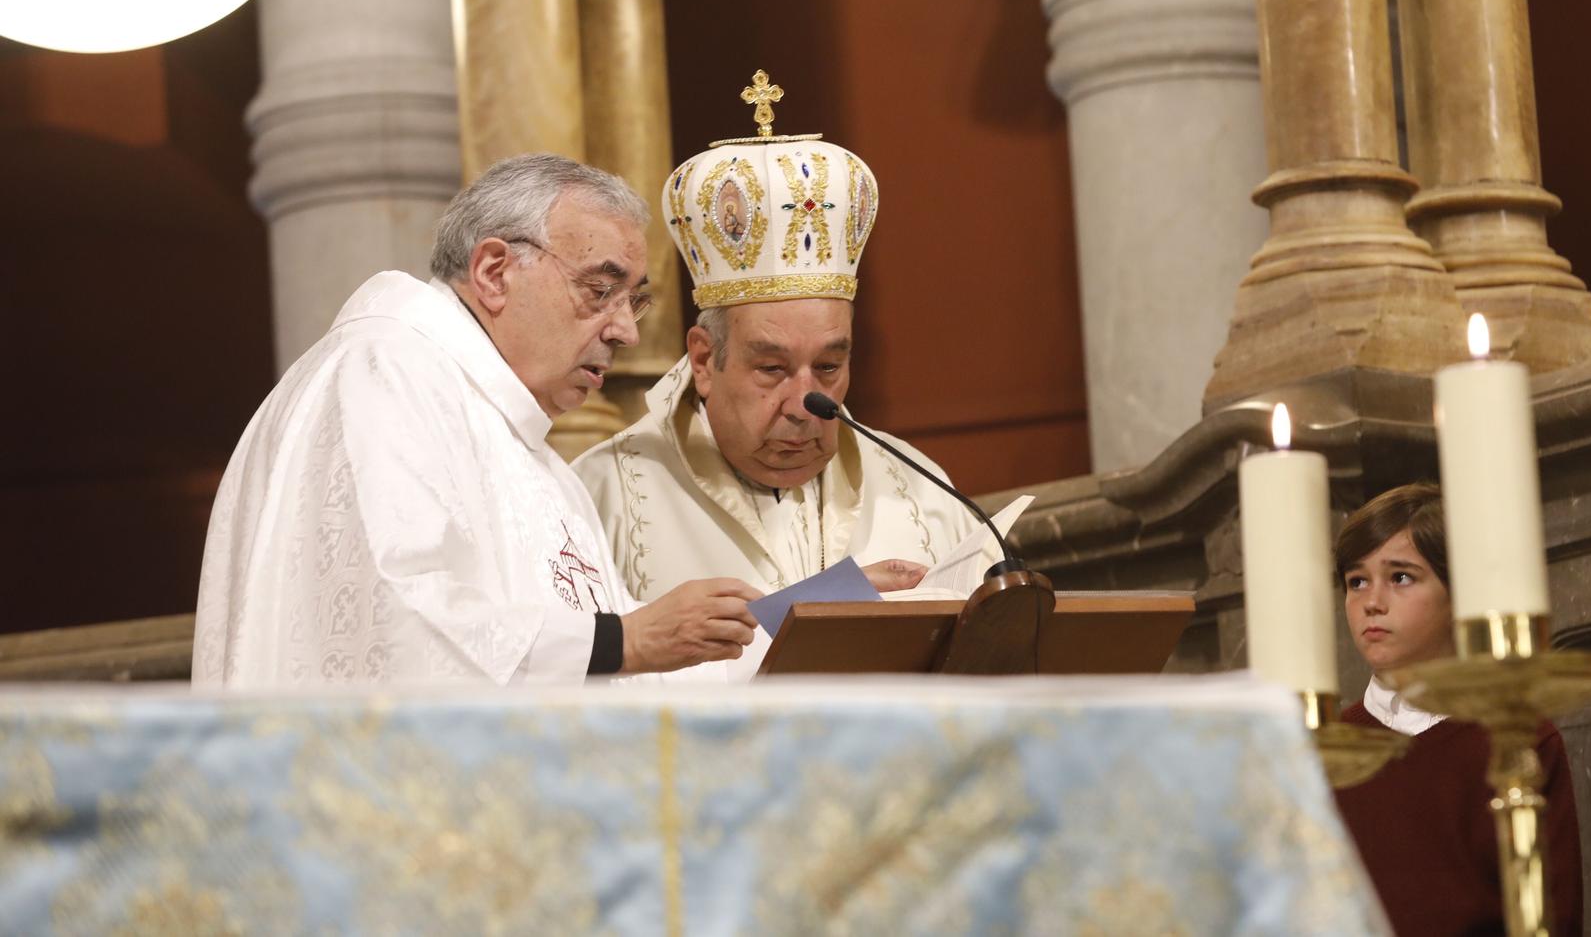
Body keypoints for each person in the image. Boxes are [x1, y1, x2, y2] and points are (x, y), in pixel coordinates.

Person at [193, 154, 762, 686]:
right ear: (494, 271)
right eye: (599, 290)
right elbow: (396, 623)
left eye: (632, 301)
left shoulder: (531, 459)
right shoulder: (381, 373)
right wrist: (627, 641)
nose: (625, 332)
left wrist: (801, 620)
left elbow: (627, 665)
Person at [572, 73, 993, 601]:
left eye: (828, 367)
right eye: (771, 369)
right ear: (703, 360)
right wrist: (803, 612)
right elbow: (578, 673)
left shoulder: (919, 493)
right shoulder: (603, 497)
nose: (804, 405)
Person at [1331, 484, 1583, 937]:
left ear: (1457, 594)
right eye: (1357, 581)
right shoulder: (1321, 752)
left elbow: (1554, 918)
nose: (1372, 602)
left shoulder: (1516, 741)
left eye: (1401, 577)